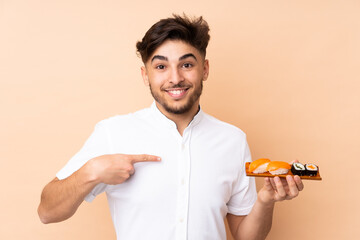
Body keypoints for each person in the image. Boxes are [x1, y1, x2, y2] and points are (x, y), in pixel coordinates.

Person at [38, 14, 304, 240]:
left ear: (205, 69)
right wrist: (92, 171)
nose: (175, 78)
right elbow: (47, 212)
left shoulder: (233, 140)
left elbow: (246, 236)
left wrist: (266, 201)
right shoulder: (114, 133)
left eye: (187, 65)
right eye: (161, 66)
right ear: (146, 75)